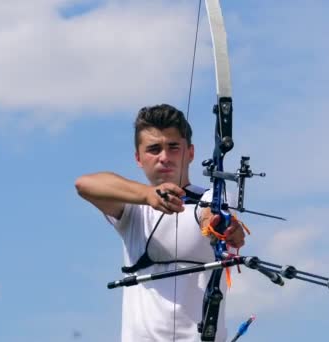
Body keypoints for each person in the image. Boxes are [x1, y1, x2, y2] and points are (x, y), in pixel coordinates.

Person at [75, 104, 246, 342]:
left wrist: (219, 227)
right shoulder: (134, 209)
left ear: (191, 153)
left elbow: (214, 216)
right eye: (154, 149)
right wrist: (148, 195)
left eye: (173, 147)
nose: (164, 157)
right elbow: (85, 184)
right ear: (138, 158)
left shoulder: (210, 198)